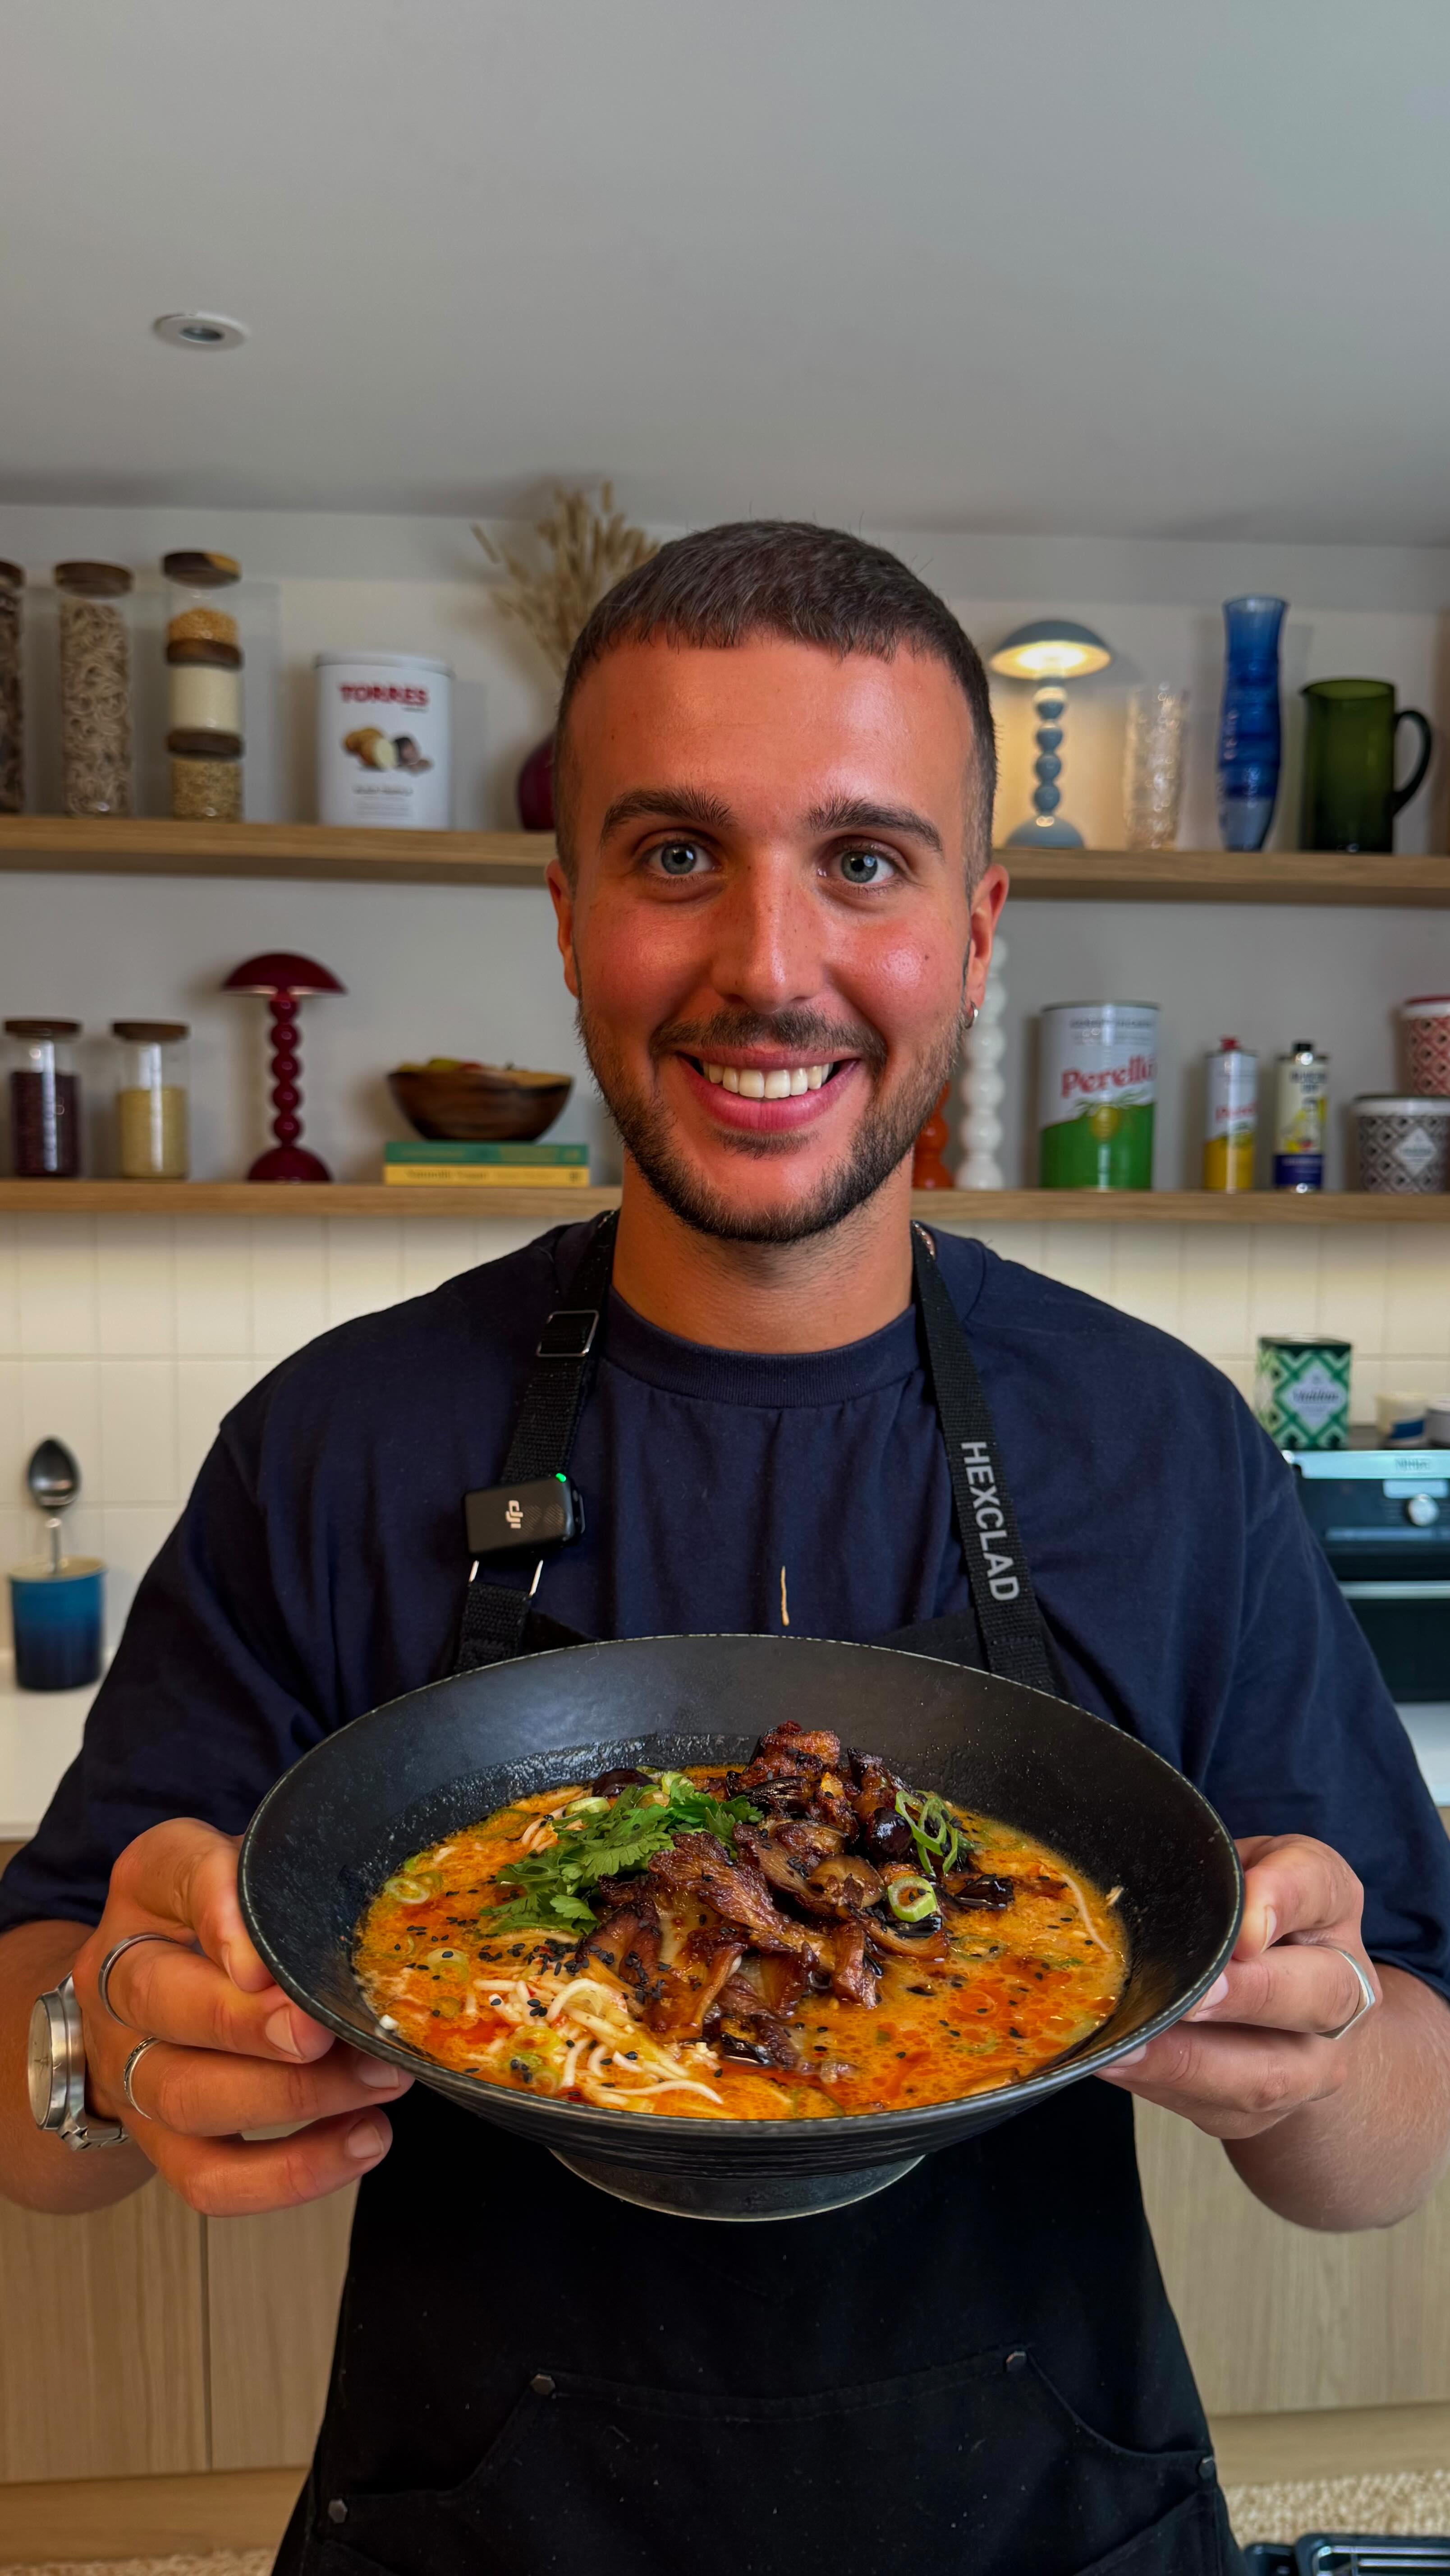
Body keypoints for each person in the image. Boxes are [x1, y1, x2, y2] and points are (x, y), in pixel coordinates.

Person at [3, 522, 1449, 2576]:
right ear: (572, 917)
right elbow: (41, 2086)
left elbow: (1396, 2149)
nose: (771, 963)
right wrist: (112, 2047)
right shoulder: (336, 1440)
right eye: (679, 853)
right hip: (476, 2533)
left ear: (976, 930)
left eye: (865, 858)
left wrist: (1308, 2049)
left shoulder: (1165, 1449)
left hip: (1044, 2526)